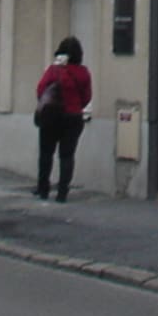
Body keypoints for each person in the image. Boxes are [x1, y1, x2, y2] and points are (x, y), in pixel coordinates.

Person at [33, 36, 92, 202]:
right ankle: (62, 192)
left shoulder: (54, 70)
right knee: (67, 156)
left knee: (46, 153)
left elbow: (41, 89)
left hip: (51, 116)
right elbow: (87, 97)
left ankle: (43, 189)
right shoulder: (83, 73)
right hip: (73, 117)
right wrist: (76, 106)